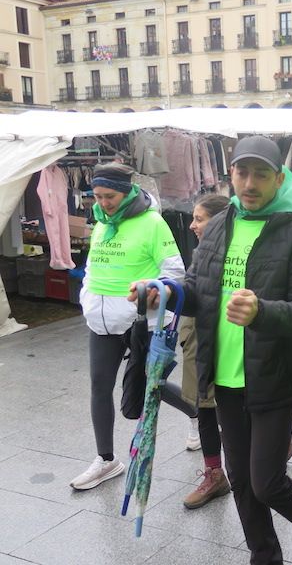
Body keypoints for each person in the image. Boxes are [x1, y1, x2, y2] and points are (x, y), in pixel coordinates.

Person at [134, 136, 292, 565]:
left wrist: (261, 311)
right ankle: (264, 555)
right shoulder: (222, 223)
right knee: (241, 480)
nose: (250, 182)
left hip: (274, 375)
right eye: (242, 172)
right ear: (231, 175)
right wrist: (165, 291)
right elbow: (197, 288)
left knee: (267, 481)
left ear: (278, 179)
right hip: (223, 375)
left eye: (261, 174)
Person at [70, 164, 189, 491]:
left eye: (109, 196)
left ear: (126, 192)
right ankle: (106, 459)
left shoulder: (153, 223)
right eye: (97, 196)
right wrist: (87, 296)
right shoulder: (100, 224)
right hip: (102, 319)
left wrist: (158, 290)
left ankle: (201, 417)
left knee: (152, 384)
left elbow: (175, 273)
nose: (103, 203)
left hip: (141, 320)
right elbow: (92, 266)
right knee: (99, 385)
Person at [181, 193, 232, 509]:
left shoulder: (240, 252)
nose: (192, 225)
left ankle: (276, 446)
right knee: (205, 408)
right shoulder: (200, 253)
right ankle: (214, 474)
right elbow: (188, 288)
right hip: (198, 339)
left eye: (199, 219)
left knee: (235, 410)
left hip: (228, 342)